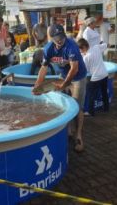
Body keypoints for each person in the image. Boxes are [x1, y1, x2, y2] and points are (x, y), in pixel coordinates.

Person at [32, 24, 87, 152]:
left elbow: (74, 69)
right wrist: (37, 86)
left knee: (77, 107)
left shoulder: (71, 46)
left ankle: (78, 135)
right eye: (56, 37)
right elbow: (43, 68)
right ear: (50, 37)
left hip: (78, 77)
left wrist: (64, 84)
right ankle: (68, 130)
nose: (59, 40)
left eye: (61, 36)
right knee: (65, 104)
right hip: (63, 76)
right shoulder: (48, 48)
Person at [78, 38, 109, 116]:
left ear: (84, 47)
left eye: (80, 49)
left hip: (96, 77)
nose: (80, 51)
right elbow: (106, 45)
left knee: (91, 95)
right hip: (104, 74)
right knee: (104, 92)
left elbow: (86, 70)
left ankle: (91, 112)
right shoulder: (96, 47)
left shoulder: (86, 57)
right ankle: (106, 108)